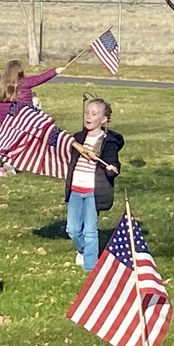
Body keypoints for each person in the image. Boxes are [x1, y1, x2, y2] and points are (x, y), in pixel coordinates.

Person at [65, 98, 124, 271]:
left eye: (94, 114)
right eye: (87, 112)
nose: (88, 116)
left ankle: (91, 267)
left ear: (103, 119)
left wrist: (112, 169)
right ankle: (83, 250)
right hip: (75, 190)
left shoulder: (108, 142)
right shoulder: (77, 139)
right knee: (72, 229)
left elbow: (113, 163)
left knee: (90, 230)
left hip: (93, 192)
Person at [0, 59, 67, 123]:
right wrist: (55, 71)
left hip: (4, 119)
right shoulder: (25, 82)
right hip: (22, 118)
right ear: (20, 71)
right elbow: (40, 78)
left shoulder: (1, 82)